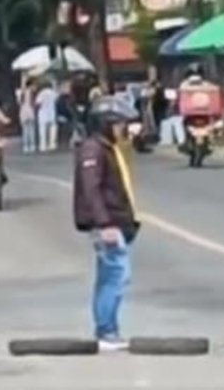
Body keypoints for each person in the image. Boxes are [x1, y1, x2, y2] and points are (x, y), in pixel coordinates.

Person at [73, 95, 140, 351]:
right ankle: (107, 331)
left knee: (110, 276)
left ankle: (107, 329)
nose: (122, 128)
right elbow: (91, 189)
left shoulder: (106, 147)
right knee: (116, 276)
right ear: (105, 123)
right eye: (118, 123)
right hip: (107, 224)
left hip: (115, 222)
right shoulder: (93, 149)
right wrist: (105, 223)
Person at [35, 81, 59, 152]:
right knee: (53, 129)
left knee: (42, 130)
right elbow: (57, 100)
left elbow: (38, 103)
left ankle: (43, 145)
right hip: (52, 112)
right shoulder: (53, 93)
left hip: (43, 113)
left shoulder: (41, 93)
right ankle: (52, 144)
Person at [19, 79, 37, 154]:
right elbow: (33, 102)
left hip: (23, 110)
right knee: (31, 129)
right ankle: (32, 145)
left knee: (25, 129)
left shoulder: (22, 92)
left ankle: (26, 146)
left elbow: (20, 102)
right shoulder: (32, 92)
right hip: (30, 110)